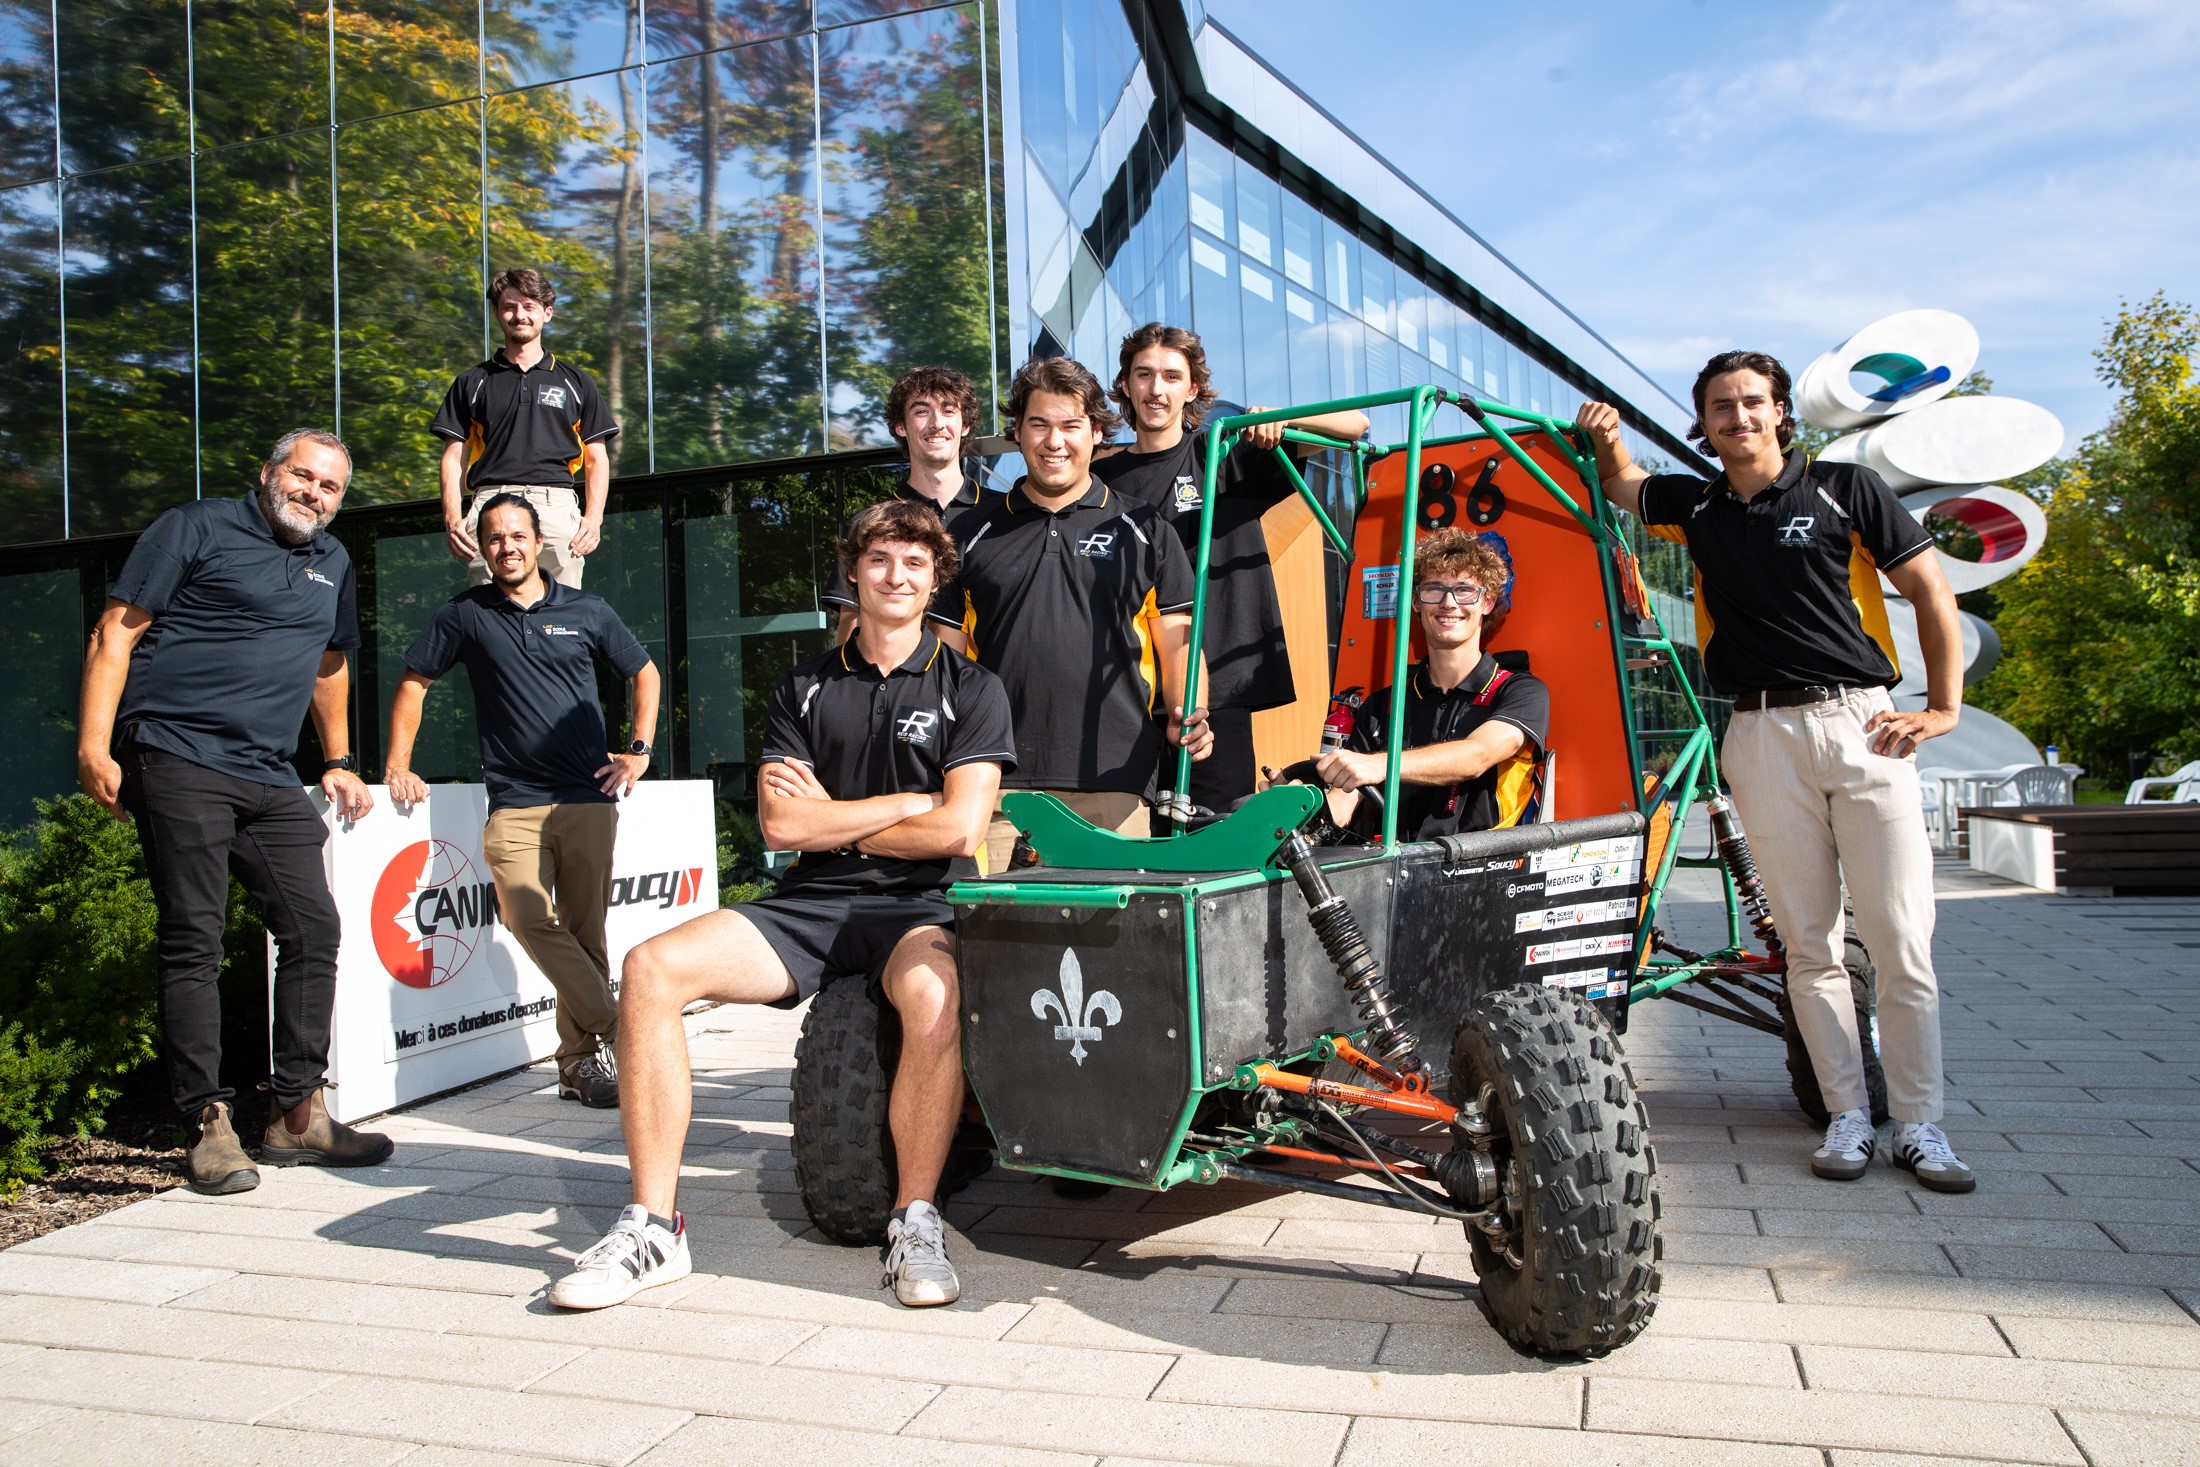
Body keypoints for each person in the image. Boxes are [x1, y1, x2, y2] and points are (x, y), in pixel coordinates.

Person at [549, 499, 1013, 1311]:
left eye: (914, 562)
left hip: (920, 907)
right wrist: (902, 804)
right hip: (812, 902)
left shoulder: (971, 688)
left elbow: (960, 828)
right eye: (879, 560)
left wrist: (844, 817)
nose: (896, 575)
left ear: (936, 575)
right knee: (650, 967)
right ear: (853, 571)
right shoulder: (803, 683)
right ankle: (655, 1228)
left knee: (935, 998)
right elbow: (782, 822)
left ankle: (916, 1218)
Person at [1579, 351, 1974, 1193]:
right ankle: (1848, 1116)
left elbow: (1933, 595)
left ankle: (1921, 1123)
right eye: (1721, 406)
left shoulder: (1847, 488)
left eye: (1753, 402)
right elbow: (1623, 486)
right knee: (1808, 944)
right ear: (1706, 424)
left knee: (1902, 940)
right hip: (1758, 730)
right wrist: (1606, 440)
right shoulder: (1698, 504)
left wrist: (1943, 709)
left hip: (1863, 722)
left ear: (1782, 411)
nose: (1739, 417)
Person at [75, 428, 394, 1195]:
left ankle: (296, 1116)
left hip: (268, 771)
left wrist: (339, 757)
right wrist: (93, 745)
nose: (314, 493)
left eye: (331, 487)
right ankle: (206, 1123)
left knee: (313, 926)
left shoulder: (333, 560)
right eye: (303, 476)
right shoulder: (197, 526)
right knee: (195, 934)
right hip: (177, 752)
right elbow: (115, 632)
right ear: (268, 472)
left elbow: (329, 663)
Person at [384, 493, 660, 1110]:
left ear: (540, 542)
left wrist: (637, 750)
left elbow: (644, 672)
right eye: (493, 538)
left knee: (587, 936)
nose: (505, 546)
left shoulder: (586, 610)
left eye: (516, 535)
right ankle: (626, 1030)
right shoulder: (466, 614)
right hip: (513, 800)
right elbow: (414, 682)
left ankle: (577, 1066)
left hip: (588, 797)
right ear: (481, 549)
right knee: (525, 915)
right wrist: (397, 765)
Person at [931, 355, 1213, 873]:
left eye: (1071, 425)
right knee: (997, 945)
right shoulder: (968, 531)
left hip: (1115, 783)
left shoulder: (1146, 527)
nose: (1053, 441)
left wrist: (1188, 711)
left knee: (1115, 948)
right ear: (1017, 431)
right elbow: (943, 656)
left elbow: (1178, 638)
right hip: (994, 786)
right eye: (1038, 424)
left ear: (1097, 433)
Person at [1095, 323, 1369, 814]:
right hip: (1127, 688)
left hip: (1216, 687)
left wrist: (1279, 419)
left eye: (1172, 376)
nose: (1156, 389)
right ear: (1126, 384)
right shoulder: (1100, 478)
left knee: (1211, 839)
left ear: (1192, 388)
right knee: (1131, 845)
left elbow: (1356, 425)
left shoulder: (1221, 450)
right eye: (1144, 374)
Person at [1312, 529, 1548, 839]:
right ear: (1416, 602)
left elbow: (1477, 756)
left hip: (1485, 874)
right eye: (1434, 589)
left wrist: (1381, 765)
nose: (1449, 603)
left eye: (1464, 590)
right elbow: (1345, 799)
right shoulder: (1383, 706)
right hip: (1394, 874)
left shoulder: (1520, 692)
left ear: (1487, 602)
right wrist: (1297, 812)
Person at [433, 267, 619, 589]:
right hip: (491, 502)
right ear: (497, 313)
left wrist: (594, 518)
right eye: (509, 306)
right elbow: (453, 458)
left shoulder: (576, 382)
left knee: (562, 616)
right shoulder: (472, 382)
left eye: (529, 306)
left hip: (557, 506)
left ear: (547, 312)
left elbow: (596, 459)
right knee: (490, 619)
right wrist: (453, 519)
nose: (519, 315)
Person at [821, 364, 987, 645]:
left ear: (965, 424)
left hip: (992, 684)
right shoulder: (871, 524)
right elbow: (851, 632)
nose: (937, 423)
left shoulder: (1005, 514)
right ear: (901, 426)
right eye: (922, 411)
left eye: (949, 411)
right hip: (903, 687)